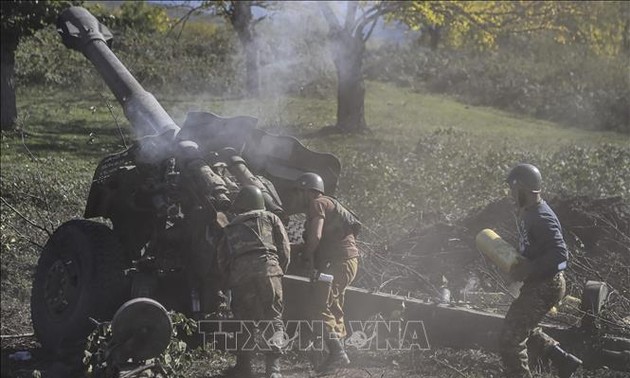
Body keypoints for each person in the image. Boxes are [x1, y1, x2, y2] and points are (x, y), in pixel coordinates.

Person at [499, 163, 582, 378]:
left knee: (510, 336)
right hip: (541, 283)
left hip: (546, 285)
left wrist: (531, 268)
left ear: (523, 190)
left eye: (513, 191)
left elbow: (560, 256)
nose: (510, 195)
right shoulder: (530, 213)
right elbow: (537, 249)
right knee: (523, 325)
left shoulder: (542, 217)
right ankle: (563, 360)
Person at [217, 185, 290, 378]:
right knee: (273, 318)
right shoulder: (270, 218)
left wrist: (228, 282)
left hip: (240, 278)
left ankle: (243, 368)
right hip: (269, 271)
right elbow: (284, 247)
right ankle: (273, 370)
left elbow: (222, 260)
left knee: (244, 322)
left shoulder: (230, 227)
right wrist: (278, 270)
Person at [292, 172, 361, 374]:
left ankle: (338, 354)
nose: (298, 197)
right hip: (347, 262)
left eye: (299, 192)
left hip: (338, 262)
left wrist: (306, 254)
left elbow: (315, 237)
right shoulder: (331, 203)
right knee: (333, 306)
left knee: (318, 306)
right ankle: (337, 360)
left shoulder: (318, 203)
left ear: (308, 191)